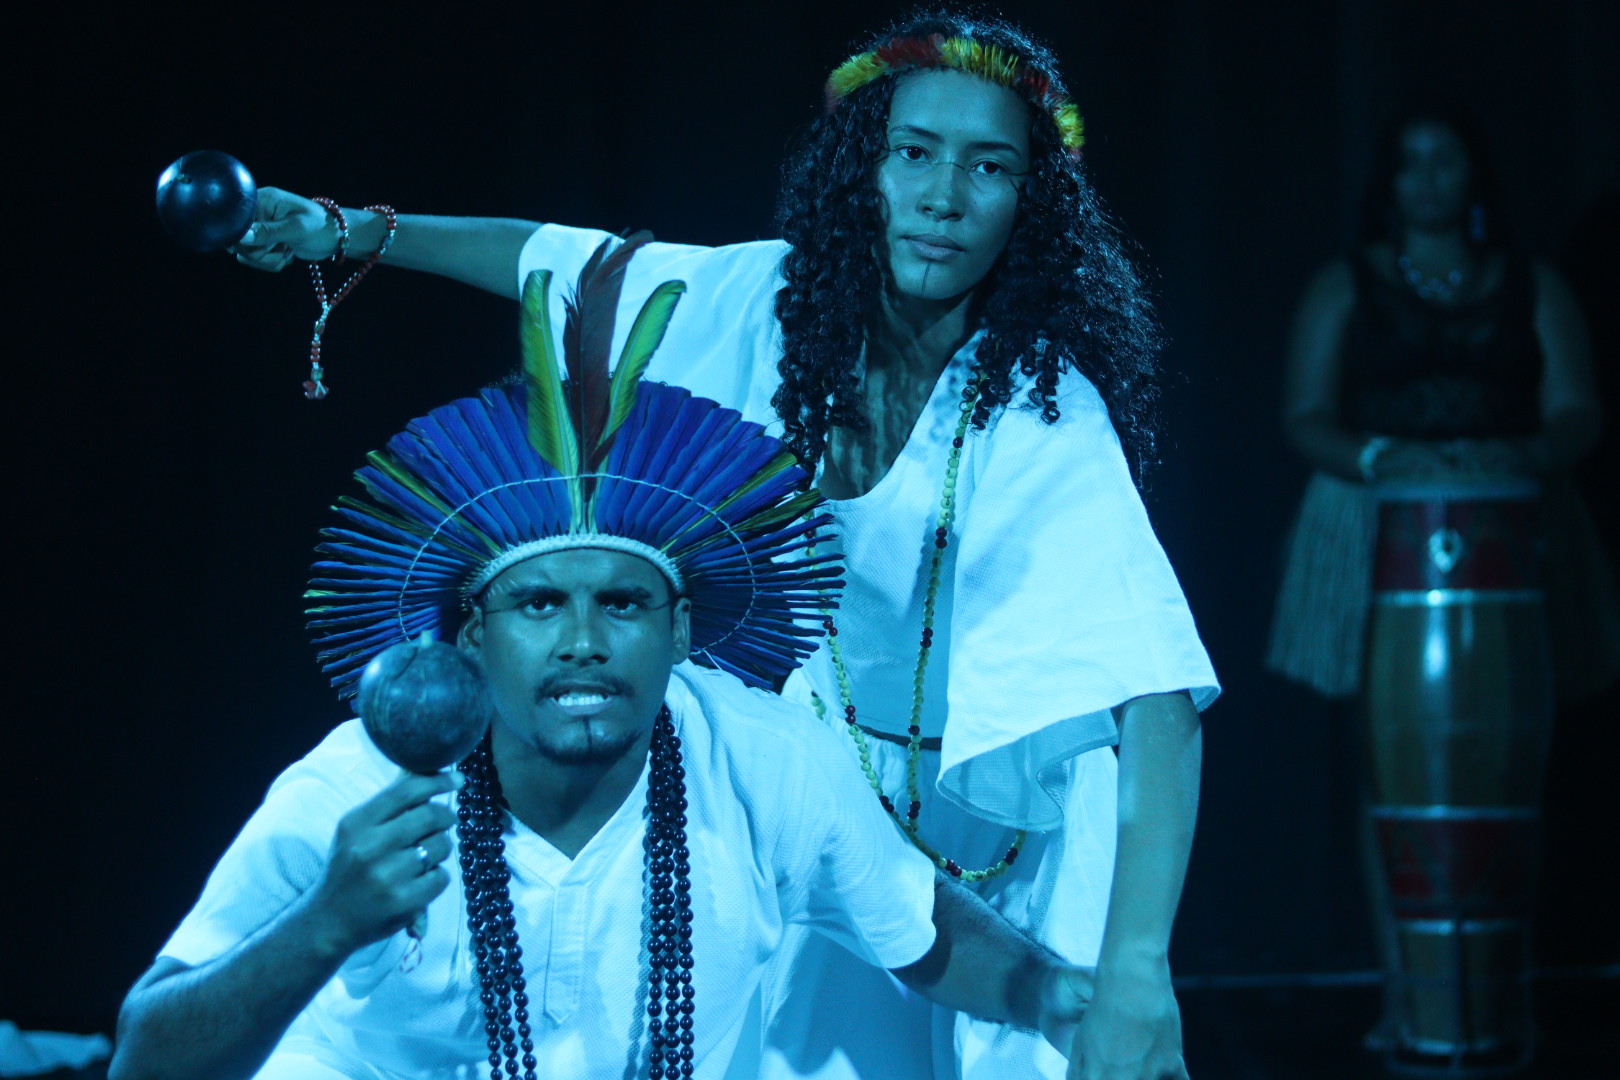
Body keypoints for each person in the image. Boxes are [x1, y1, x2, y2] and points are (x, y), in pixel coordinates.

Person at [229, 13, 1218, 1080]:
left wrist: (1137, 969)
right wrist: (342, 233)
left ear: (1030, 201)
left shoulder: (1038, 407)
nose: (945, 196)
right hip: (837, 812)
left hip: (1011, 836)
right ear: (862, 165)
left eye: (990, 167)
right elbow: (553, 262)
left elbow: (1154, 697)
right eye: (914, 152)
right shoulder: (758, 303)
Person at [108, 245, 1097, 1080]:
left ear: (680, 629)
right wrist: (325, 922)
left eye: (622, 603)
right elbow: (146, 1056)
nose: (583, 641)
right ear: (471, 633)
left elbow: (923, 930)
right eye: (539, 603)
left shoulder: (766, 763)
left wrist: (1061, 997)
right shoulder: (357, 790)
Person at [1268, 102, 1615, 1064]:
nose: (1427, 180)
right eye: (1410, 163)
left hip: (1515, 524)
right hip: (1377, 524)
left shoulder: (1532, 282)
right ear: (1389, 181)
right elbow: (1305, 414)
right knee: (1394, 775)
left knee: (1518, 775)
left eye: (1445, 161)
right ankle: (1408, 997)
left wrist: (1510, 458)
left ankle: (1505, 999)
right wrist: (1392, 462)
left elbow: (1577, 410)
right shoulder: (1345, 283)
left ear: (1474, 175)